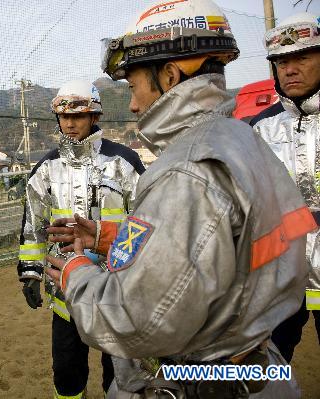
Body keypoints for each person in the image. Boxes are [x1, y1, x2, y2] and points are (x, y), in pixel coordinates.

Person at [44, 1, 316, 398]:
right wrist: (108, 238)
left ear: (169, 75)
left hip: (204, 382)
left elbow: (134, 322)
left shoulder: (187, 168)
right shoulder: (242, 139)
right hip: (256, 365)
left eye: (134, 87)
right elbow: (217, 251)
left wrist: (76, 273)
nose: (134, 105)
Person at [18, 79, 144, 398]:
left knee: (119, 376)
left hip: (118, 291)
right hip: (66, 293)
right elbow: (34, 225)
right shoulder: (45, 170)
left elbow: (147, 221)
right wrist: (30, 273)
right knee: (67, 375)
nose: (70, 123)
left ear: (95, 117)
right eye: (63, 116)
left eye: (78, 115)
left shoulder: (124, 163)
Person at [250, 12, 320, 363]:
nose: (290, 69)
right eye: (281, 62)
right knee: (271, 363)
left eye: (302, 57)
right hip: (280, 273)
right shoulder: (259, 129)